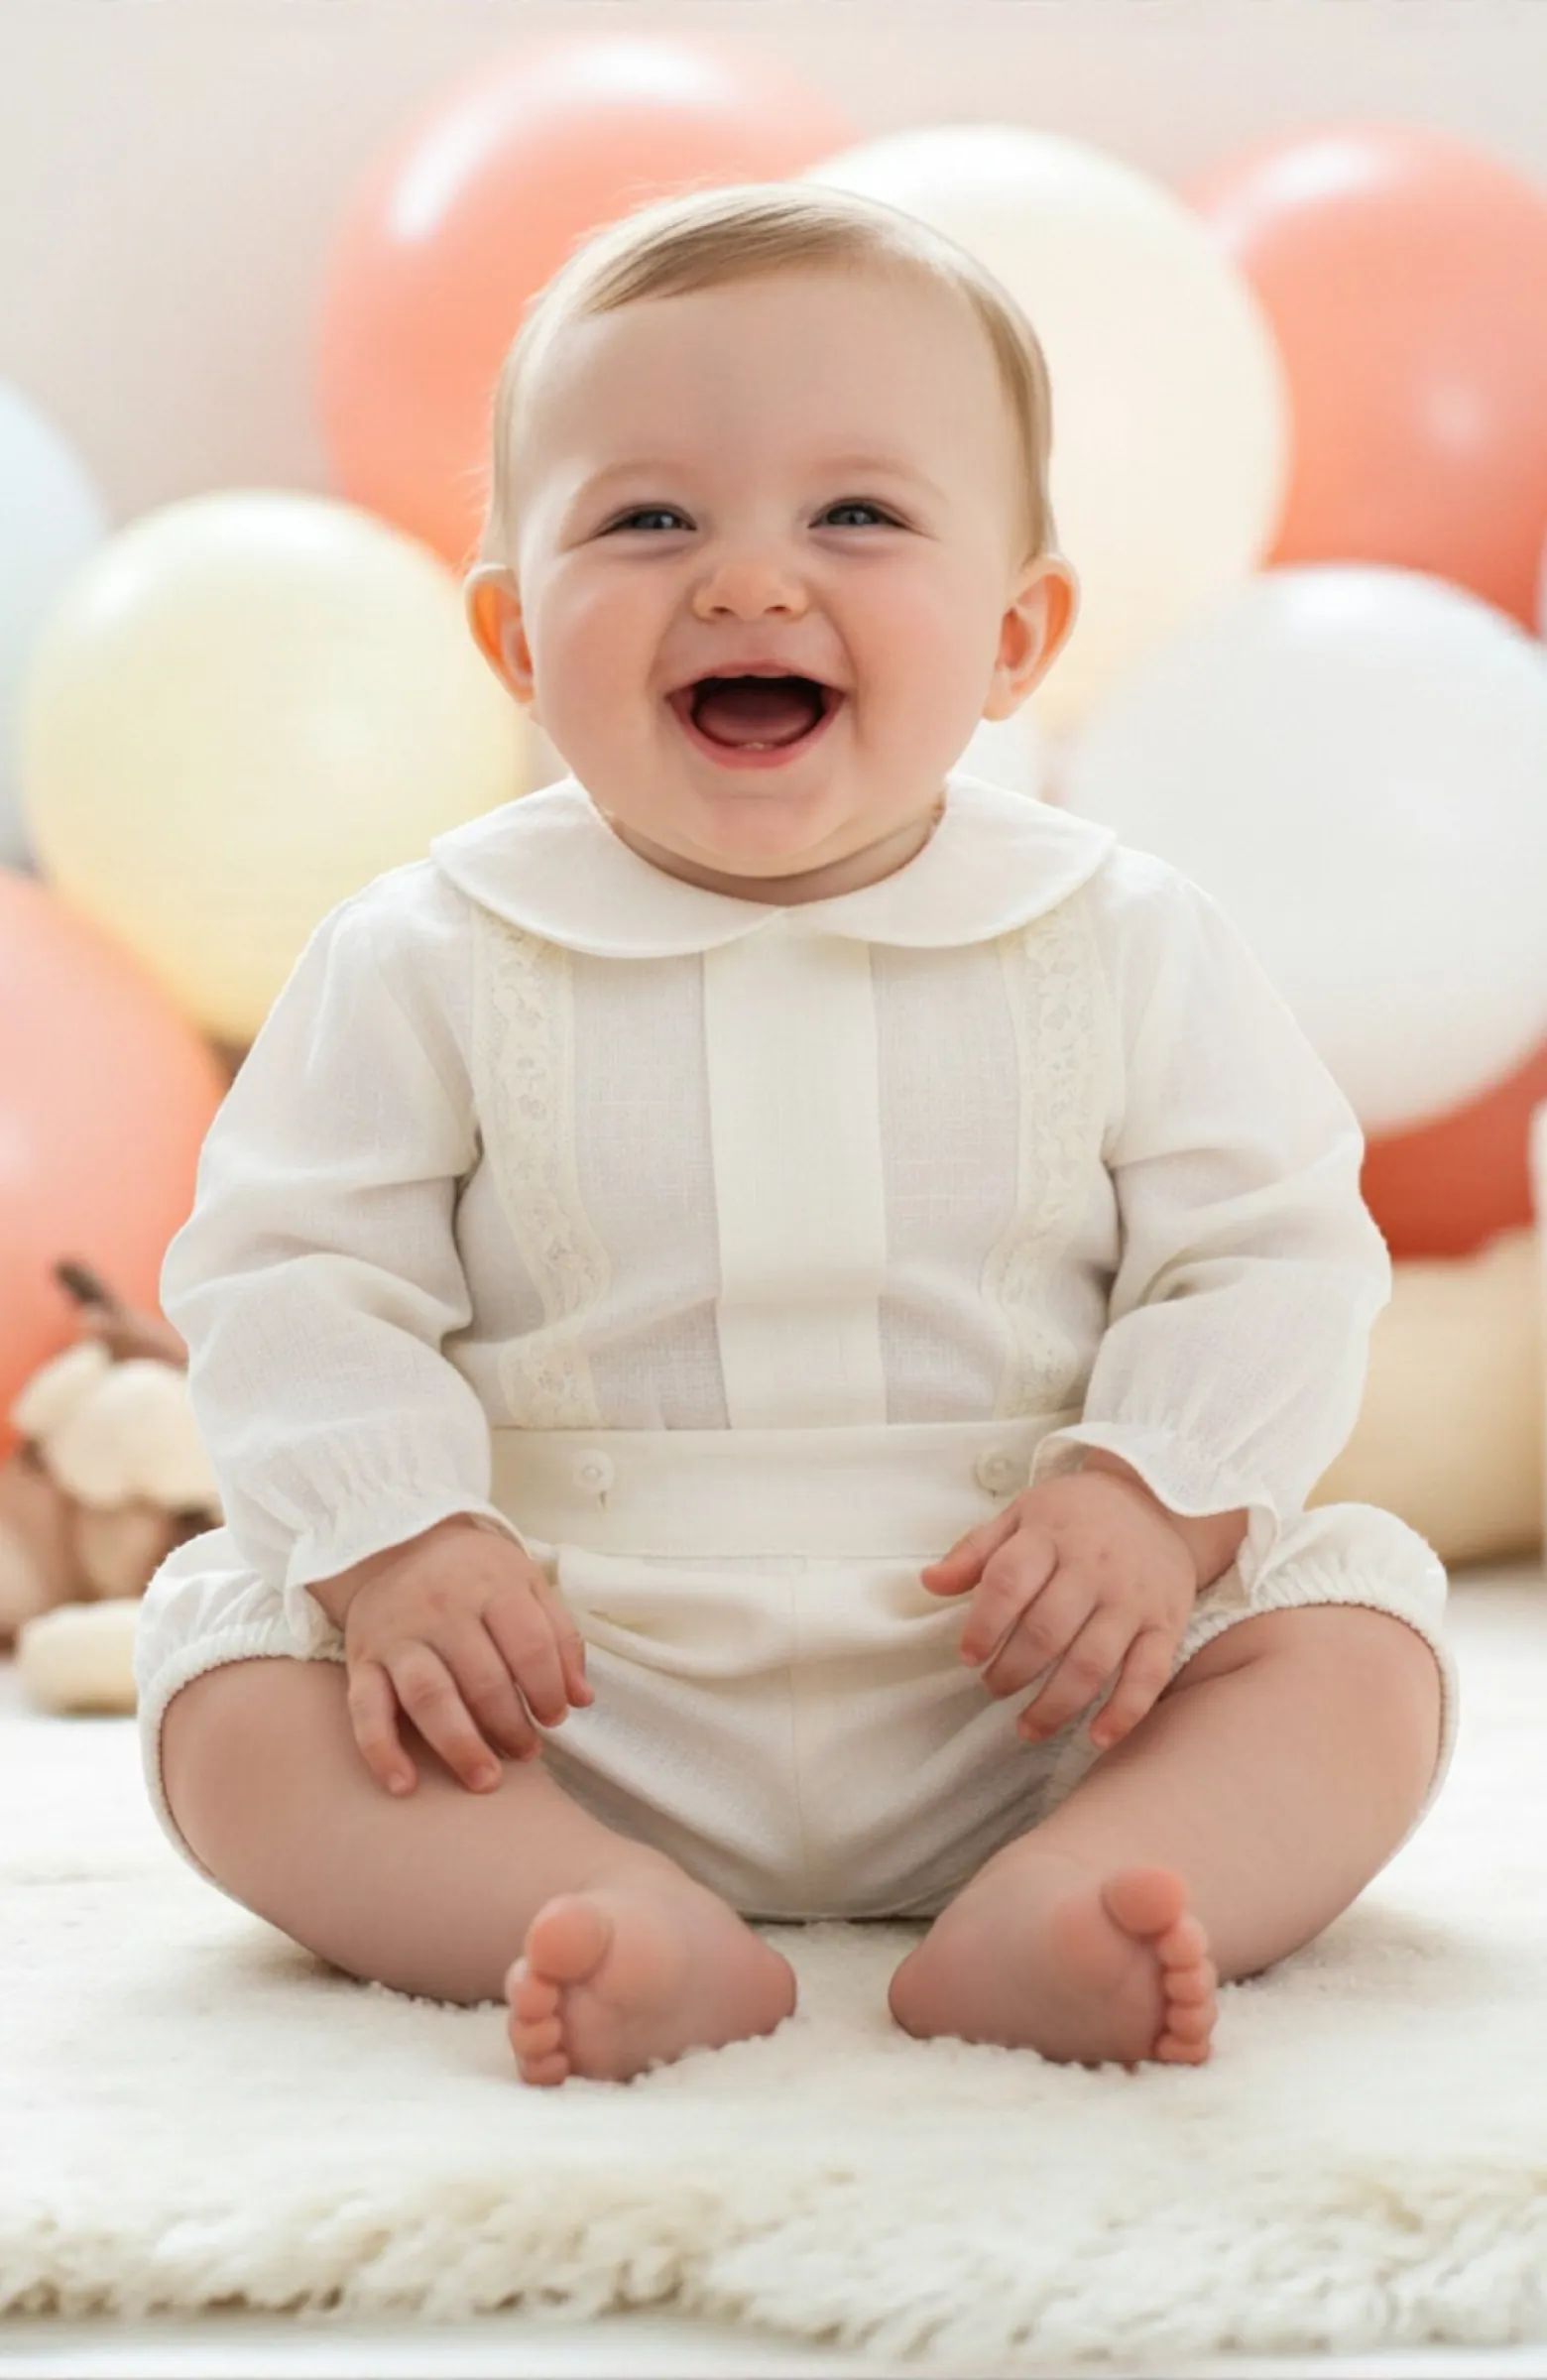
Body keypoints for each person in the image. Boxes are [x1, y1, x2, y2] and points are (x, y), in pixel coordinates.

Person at [136, 181, 1454, 2088]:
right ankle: (579, 1911)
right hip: (558, 1683)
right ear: (515, 632)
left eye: (857, 514)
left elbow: (1271, 1248)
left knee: (1363, 1654)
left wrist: (1152, 1498)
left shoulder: (1125, 934)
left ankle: (1088, 1886)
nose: (750, 583)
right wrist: (399, 1543)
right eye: (648, 516)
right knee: (231, 1696)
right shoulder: (425, 951)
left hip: (1040, 1669)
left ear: (1018, 634)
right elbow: (283, 1274)